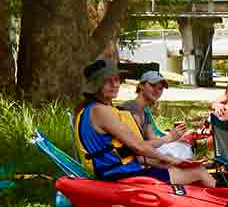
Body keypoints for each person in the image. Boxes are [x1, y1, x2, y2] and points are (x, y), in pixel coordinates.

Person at [74, 59, 215, 187]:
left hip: (117, 172)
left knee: (182, 169)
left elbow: (126, 151)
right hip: (121, 176)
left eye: (117, 79)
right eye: (107, 81)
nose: (115, 84)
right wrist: (171, 160)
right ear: (95, 85)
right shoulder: (101, 111)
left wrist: (163, 163)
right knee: (198, 171)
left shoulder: (90, 109)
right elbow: (138, 146)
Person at [119, 71, 194, 159]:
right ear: (141, 86)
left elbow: (154, 141)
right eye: (153, 85)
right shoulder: (130, 108)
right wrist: (169, 138)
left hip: (144, 156)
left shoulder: (145, 112)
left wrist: (175, 138)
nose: (157, 90)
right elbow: (137, 147)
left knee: (185, 146)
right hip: (130, 162)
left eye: (160, 88)